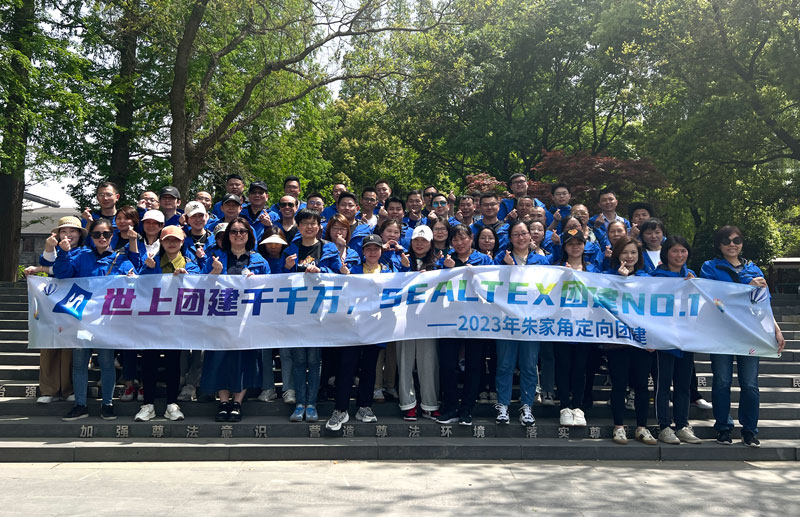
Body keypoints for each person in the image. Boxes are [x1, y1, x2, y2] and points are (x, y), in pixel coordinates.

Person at [700, 225, 786, 447]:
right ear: (719, 245)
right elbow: (713, 298)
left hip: (749, 333)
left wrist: (776, 329)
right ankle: (723, 427)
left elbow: (764, 305)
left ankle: (749, 430)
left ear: (742, 243)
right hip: (721, 333)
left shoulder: (754, 269)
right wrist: (745, 286)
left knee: (750, 384)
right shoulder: (710, 267)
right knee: (722, 381)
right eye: (726, 241)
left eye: (736, 240)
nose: (732, 245)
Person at [55, 218, 138, 421]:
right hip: (82, 319)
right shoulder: (81, 257)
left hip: (107, 321)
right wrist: (63, 253)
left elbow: (136, 282)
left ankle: (107, 404)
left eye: (106, 234)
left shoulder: (121, 260)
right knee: (80, 363)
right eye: (96, 234)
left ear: (112, 236)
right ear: (91, 236)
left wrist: (132, 279)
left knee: (107, 362)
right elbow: (61, 274)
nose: (102, 238)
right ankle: (80, 405)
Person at [201, 218, 268, 422]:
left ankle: (237, 402)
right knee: (219, 359)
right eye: (234, 231)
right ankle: (223, 402)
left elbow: (271, 289)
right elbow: (200, 287)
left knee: (244, 359)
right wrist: (214, 273)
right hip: (220, 318)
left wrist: (258, 282)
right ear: (227, 235)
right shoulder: (216, 258)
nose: (238, 235)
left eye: (242, 231)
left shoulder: (259, 261)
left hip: (247, 320)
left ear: (249, 235)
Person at [281, 208, 343, 422]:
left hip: (320, 313)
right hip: (296, 313)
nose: (309, 227)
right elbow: (279, 281)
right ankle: (300, 403)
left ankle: (312, 404)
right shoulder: (291, 249)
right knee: (299, 360)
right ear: (298, 226)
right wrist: (287, 268)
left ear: (319, 227)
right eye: (305, 223)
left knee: (315, 360)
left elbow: (338, 273)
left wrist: (321, 272)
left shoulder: (328, 247)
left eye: (313, 223)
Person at [135, 226, 200, 422]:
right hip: (151, 322)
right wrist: (148, 269)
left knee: (173, 363)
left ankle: (172, 404)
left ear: (182, 242)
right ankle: (148, 404)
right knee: (149, 363)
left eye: (176, 240)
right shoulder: (151, 262)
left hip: (177, 322)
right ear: (161, 242)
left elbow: (199, 286)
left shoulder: (190, 264)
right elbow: (138, 287)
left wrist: (187, 278)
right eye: (167, 240)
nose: (171, 243)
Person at [325, 235, 389, 431]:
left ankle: (364, 407)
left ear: (381, 251)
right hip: (351, 327)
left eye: (376, 248)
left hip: (376, 328)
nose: (372, 252)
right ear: (363, 251)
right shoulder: (352, 270)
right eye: (368, 248)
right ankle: (340, 409)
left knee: (369, 369)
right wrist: (343, 275)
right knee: (346, 367)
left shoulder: (389, 273)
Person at [436, 224, 493, 425]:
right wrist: (447, 270)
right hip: (448, 320)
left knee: (474, 365)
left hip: (476, 320)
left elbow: (494, 285)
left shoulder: (484, 260)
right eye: (455, 239)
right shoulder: (445, 260)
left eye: (463, 238)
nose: (459, 243)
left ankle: (467, 410)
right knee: (447, 364)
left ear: (471, 238)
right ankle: (451, 407)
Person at [602, 236, 657, 445]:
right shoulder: (607, 277)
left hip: (642, 340)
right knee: (619, 384)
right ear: (617, 254)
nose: (630, 256)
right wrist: (620, 280)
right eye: (625, 252)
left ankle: (642, 427)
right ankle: (618, 427)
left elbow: (654, 310)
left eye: (633, 252)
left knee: (641, 385)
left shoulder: (647, 278)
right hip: (617, 340)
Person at [25, 216, 86, 404]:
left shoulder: (84, 253)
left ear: (80, 234)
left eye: (72, 231)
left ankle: (68, 389)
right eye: (63, 231)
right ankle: (48, 390)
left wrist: (41, 268)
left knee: (70, 348)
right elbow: (49, 263)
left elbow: (64, 271)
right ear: (57, 234)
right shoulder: (53, 250)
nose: (68, 234)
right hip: (50, 303)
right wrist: (49, 250)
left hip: (73, 304)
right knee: (49, 345)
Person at [651, 236, 703, 445]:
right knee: (663, 385)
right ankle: (664, 426)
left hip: (686, 339)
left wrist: (694, 286)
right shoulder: (656, 278)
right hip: (663, 339)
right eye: (675, 251)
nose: (679, 255)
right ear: (666, 254)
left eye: (683, 251)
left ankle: (682, 425)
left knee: (683, 385)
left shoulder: (692, 277)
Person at [493, 221, 544, 426]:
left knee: (529, 365)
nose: (520, 238)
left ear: (530, 236)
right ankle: (503, 405)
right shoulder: (501, 258)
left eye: (524, 233)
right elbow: (493, 286)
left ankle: (527, 406)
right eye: (516, 234)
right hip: (507, 321)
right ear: (510, 238)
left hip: (532, 322)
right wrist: (507, 269)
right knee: (505, 364)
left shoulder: (541, 261)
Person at [554, 228, 600, 427]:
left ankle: (578, 407)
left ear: (584, 245)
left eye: (579, 243)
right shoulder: (556, 270)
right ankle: (565, 406)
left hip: (586, 328)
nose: (575, 247)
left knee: (581, 368)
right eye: (570, 244)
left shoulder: (593, 270)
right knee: (563, 367)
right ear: (565, 247)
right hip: (561, 327)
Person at [396, 225, 441, 420]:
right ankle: (408, 404)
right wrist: (405, 269)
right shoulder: (400, 261)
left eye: (424, 240)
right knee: (404, 361)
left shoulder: (439, 263)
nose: (419, 244)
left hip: (429, 320)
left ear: (431, 243)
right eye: (416, 240)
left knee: (429, 362)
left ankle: (430, 403)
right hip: (404, 319)